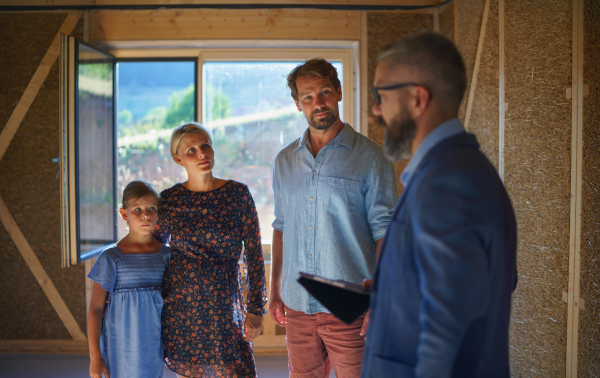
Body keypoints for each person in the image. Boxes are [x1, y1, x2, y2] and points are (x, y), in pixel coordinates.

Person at [360, 31, 518, 378]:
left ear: (418, 99)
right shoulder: (459, 169)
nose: (375, 108)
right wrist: (394, 285)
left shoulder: (449, 182)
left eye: (380, 94)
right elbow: (480, 285)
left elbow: (447, 324)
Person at [269, 58, 398, 378]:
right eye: (308, 97)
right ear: (297, 103)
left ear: (339, 92)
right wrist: (274, 292)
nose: (318, 103)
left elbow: (387, 232)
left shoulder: (372, 157)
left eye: (325, 92)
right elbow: (281, 225)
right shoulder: (284, 160)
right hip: (298, 305)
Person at [153, 122, 267, 378]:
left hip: (226, 304)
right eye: (191, 150)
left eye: (205, 146)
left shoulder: (238, 194)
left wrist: (256, 307)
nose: (202, 153)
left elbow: (254, 254)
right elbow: (152, 250)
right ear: (178, 158)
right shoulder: (169, 200)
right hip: (182, 306)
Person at [87, 180, 171, 378]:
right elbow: (96, 309)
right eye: (137, 209)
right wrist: (95, 357)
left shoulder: (166, 256)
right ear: (124, 214)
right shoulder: (111, 257)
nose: (146, 215)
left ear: (158, 213)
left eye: (152, 208)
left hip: (153, 344)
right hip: (119, 345)